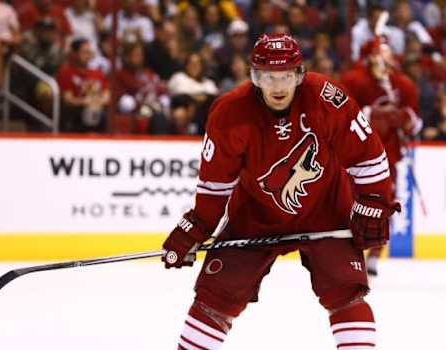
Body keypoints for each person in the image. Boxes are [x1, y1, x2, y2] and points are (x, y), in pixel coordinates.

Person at [161, 33, 400, 349]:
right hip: (254, 216)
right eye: (267, 76)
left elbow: (367, 154)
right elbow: (215, 184)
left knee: (346, 291)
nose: (277, 86)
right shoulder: (230, 113)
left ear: (299, 74)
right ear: (254, 76)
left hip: (326, 211)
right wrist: (198, 224)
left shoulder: (327, 99)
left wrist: (374, 199)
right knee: (216, 296)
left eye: (286, 75)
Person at [340, 37, 422, 276]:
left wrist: (405, 118)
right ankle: (348, 251)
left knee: (382, 204)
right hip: (355, 156)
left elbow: (416, 124)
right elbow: (339, 116)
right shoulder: (353, 80)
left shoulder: (403, 84)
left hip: (388, 156)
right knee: (349, 203)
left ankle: (375, 253)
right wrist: (370, 113)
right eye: (379, 57)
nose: (384, 63)